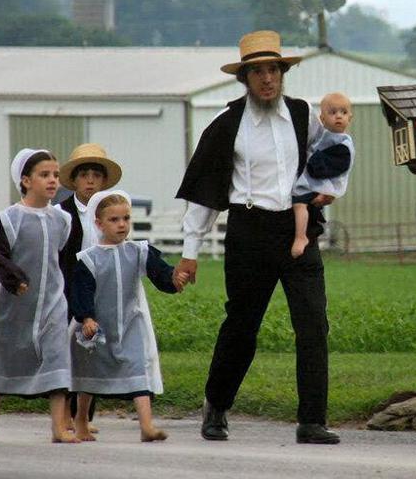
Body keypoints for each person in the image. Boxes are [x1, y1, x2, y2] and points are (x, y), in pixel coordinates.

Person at [174, 30, 340, 444]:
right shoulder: (227, 124)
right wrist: (190, 252)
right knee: (242, 326)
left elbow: (335, 152)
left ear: (282, 74)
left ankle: (312, 421)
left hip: (298, 229)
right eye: (258, 72)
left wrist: (330, 187)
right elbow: (205, 193)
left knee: (313, 325)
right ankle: (216, 406)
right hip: (249, 232)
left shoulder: (304, 115)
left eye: (273, 70)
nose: (267, 79)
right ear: (244, 78)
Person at [0, 149, 77, 444]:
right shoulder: (12, 218)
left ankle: (58, 427)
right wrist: (14, 280)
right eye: (44, 175)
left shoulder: (62, 220)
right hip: (15, 303)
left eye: (55, 175)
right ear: (26, 181)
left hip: (52, 303)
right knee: (8, 356)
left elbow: (62, 259)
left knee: (57, 358)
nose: (53, 180)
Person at [69, 190, 187, 443]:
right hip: (97, 328)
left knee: (138, 368)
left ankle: (147, 426)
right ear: (99, 223)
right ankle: (80, 420)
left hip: (130, 325)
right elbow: (81, 291)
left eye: (126, 218)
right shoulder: (89, 259)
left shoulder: (139, 251)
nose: (121, 224)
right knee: (90, 376)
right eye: (114, 220)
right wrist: (86, 317)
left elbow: (161, 273)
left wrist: (174, 279)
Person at [57, 143, 123, 430]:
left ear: (104, 180)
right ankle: (63, 413)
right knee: (65, 351)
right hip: (66, 288)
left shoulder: (111, 212)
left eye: (96, 175)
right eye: (84, 175)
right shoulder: (62, 213)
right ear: (74, 180)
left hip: (98, 288)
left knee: (92, 348)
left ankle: (83, 415)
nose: (90, 181)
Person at [291, 92, 355, 258]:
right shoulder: (323, 135)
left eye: (343, 112)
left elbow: (336, 164)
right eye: (333, 112)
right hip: (316, 180)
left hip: (325, 184)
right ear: (322, 118)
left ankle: (300, 237)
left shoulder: (343, 143)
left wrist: (313, 163)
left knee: (299, 203)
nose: (338, 116)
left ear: (350, 117)